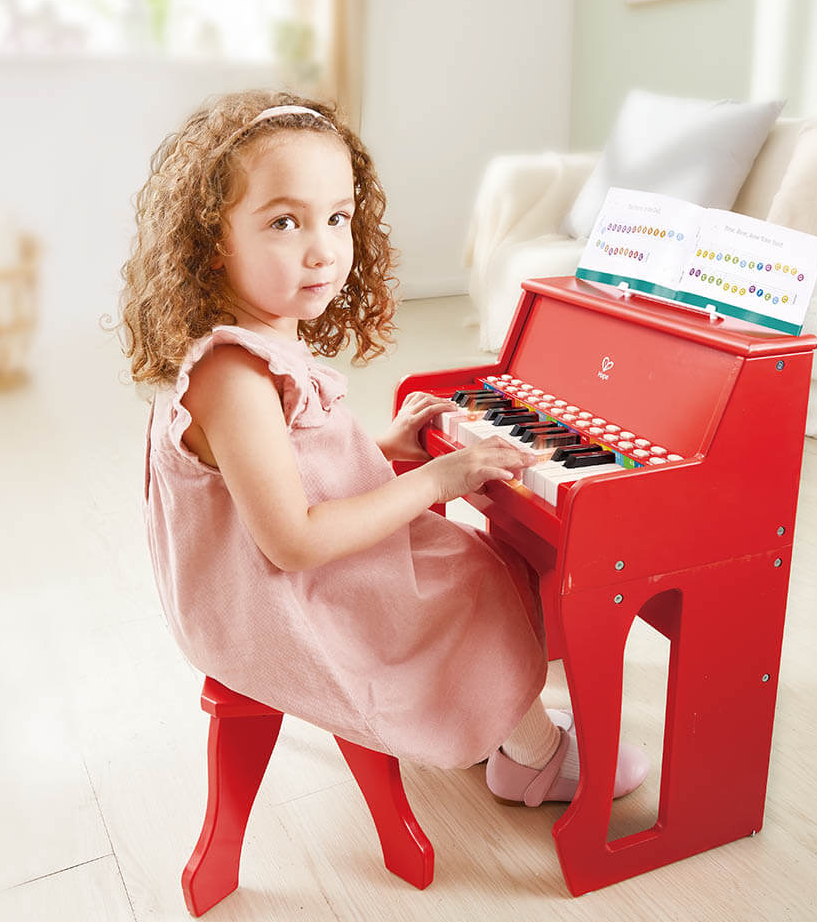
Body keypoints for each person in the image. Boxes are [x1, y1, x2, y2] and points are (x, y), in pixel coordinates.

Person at [117, 89, 648, 806]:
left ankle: (491, 715)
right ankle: (533, 756)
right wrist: (435, 480)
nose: (324, 248)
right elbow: (293, 542)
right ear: (214, 242)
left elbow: (276, 461)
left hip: (269, 580)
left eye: (337, 217)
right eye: (284, 222)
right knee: (468, 581)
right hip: (268, 609)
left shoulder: (255, 341)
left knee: (463, 561)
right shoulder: (231, 375)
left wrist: (382, 445)